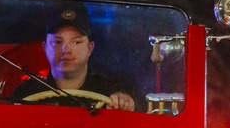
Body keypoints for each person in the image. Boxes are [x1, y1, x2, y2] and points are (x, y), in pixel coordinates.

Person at [8, 6, 137, 110]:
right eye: (58, 42)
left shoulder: (110, 92)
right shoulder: (25, 94)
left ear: (90, 48)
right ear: (45, 47)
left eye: (77, 42)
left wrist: (125, 103)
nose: (66, 49)